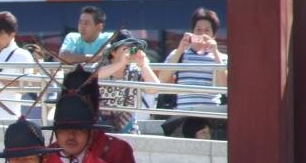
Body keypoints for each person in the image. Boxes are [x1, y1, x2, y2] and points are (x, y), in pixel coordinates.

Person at [163, 7, 227, 139]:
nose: (202, 34)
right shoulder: (178, 54)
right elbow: (162, 79)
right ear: (192, 32)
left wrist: (215, 53)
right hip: (184, 115)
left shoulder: (221, 58)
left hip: (210, 116)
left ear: (214, 35)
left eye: (207, 31)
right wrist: (180, 49)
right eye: (198, 30)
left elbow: (224, 87)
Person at [90, 30, 160, 134]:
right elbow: (94, 76)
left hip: (129, 129)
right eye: (126, 49)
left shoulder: (135, 70)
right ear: (113, 52)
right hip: (101, 128)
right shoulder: (100, 66)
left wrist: (143, 65)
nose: (130, 52)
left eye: (133, 48)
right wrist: (120, 63)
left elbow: (154, 89)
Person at [0, 11, 35, 123]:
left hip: (8, 116)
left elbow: (25, 87)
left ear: (12, 34)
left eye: (0, 35)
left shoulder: (23, 55)